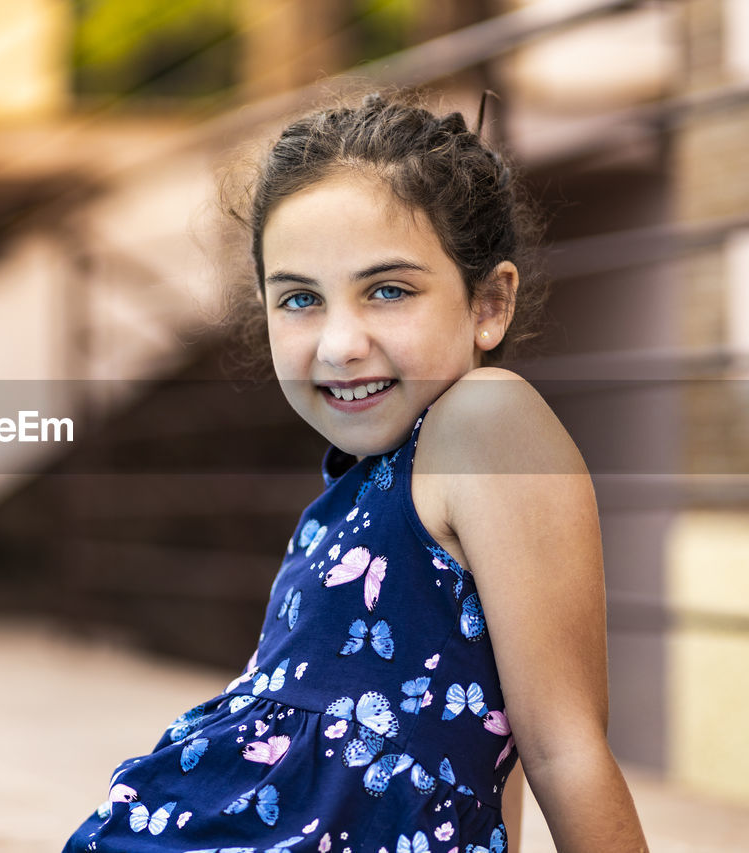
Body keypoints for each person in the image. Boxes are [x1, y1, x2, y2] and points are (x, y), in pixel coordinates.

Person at [62, 93, 649, 853]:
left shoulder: (487, 421)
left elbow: (560, 748)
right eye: (300, 299)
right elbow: (480, 753)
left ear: (489, 302)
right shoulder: (358, 492)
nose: (339, 343)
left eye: (389, 290)